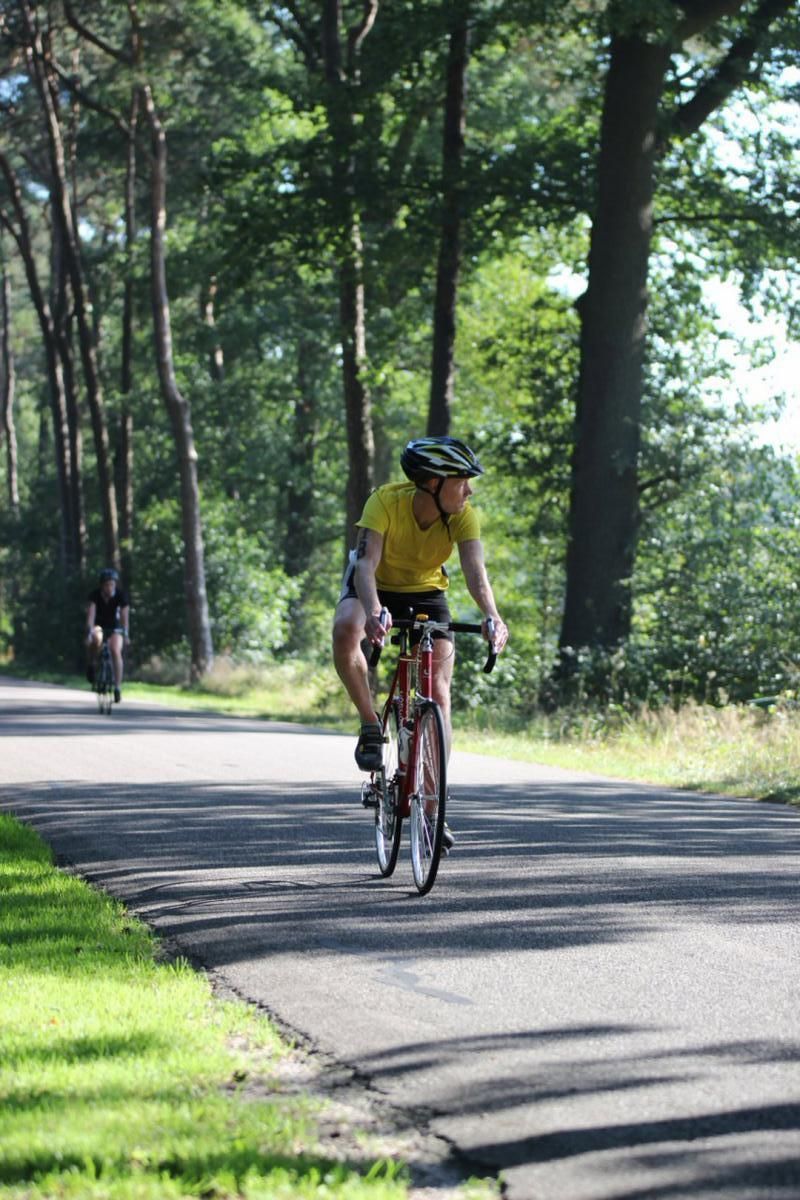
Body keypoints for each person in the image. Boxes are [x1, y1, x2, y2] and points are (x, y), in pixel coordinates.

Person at [332, 436, 508, 846]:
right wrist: (374, 611)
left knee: (439, 696)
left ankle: (433, 810)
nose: (469, 489)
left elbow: (474, 571)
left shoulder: (463, 516)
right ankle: (372, 724)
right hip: (374, 585)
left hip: (426, 593)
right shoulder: (385, 502)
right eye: (462, 480)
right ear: (432, 482)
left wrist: (492, 615)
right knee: (346, 629)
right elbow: (366, 564)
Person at [86, 568, 130, 703]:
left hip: (115, 627)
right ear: (102, 585)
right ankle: (93, 664)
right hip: (99, 625)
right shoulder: (94, 596)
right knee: (96, 639)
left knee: (116, 650)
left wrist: (126, 633)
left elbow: (124, 617)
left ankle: (117, 687)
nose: (110, 587)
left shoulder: (121, 596)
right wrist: (89, 631)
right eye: (107, 585)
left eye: (112, 584)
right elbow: (91, 616)